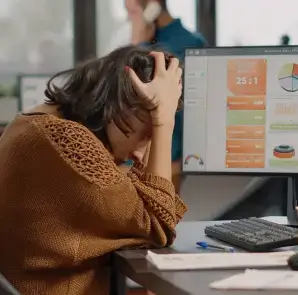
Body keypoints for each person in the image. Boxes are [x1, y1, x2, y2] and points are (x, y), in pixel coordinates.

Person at [0, 48, 187, 295]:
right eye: (147, 133)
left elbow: (151, 208)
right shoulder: (66, 141)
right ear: (122, 104)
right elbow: (159, 223)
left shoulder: (34, 125)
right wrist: (163, 120)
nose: (142, 153)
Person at [126, 0, 207, 191]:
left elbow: (138, 87)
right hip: (139, 154)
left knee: (160, 216)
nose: (129, 18)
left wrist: (139, 41)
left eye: (132, 11)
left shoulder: (187, 44)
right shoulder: (147, 38)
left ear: (152, 6)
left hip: (170, 155)